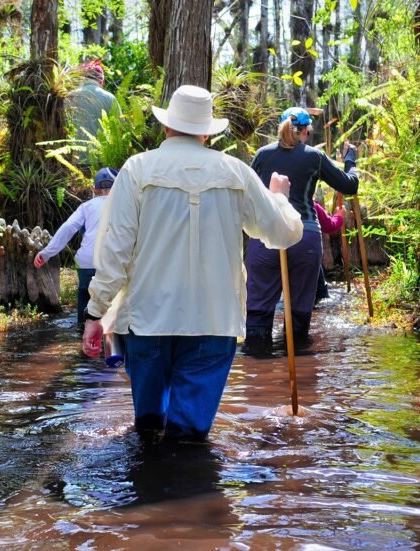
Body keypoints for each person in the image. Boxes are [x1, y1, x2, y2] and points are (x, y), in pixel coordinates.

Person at [82, 85, 303, 442]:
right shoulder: (236, 172)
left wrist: (95, 314)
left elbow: (115, 252)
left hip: (146, 321)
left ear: (167, 126)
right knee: (189, 440)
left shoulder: (137, 169)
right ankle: (188, 486)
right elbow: (282, 233)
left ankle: (149, 489)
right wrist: (278, 198)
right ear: (206, 132)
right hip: (213, 323)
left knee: (148, 431)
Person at [245, 107, 359, 349]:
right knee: (298, 320)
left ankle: (258, 378)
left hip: (265, 237)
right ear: (307, 130)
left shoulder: (262, 155)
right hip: (304, 238)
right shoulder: (313, 157)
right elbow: (350, 186)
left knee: (257, 315)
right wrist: (351, 161)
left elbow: (246, 195)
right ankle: (296, 366)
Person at [34, 167, 119, 327]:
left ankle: (82, 331)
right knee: (113, 302)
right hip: (112, 262)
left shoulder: (86, 207)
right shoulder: (124, 205)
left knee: (85, 295)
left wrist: (46, 253)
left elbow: (68, 228)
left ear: (95, 189)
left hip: (87, 262)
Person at [67, 60, 120, 165]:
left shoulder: (70, 96)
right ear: (102, 80)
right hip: (102, 161)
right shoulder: (110, 98)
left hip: (73, 160)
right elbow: (120, 128)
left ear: (83, 78)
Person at [314, 201, 348, 304]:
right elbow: (329, 226)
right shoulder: (312, 205)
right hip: (309, 254)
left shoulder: (278, 202)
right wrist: (339, 216)